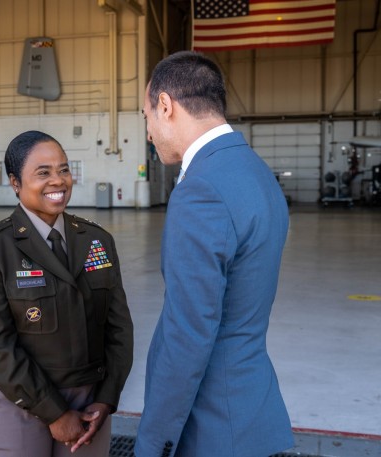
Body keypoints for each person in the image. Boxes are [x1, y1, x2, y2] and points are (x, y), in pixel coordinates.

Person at [135, 51, 293, 457]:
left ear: (166, 106)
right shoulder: (256, 172)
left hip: (214, 429)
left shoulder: (201, 191)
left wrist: (153, 443)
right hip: (254, 409)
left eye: (146, 116)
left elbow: (187, 334)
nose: (149, 132)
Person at [0, 130, 133, 456]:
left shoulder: (97, 241)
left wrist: (106, 399)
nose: (58, 181)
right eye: (43, 173)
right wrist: (54, 412)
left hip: (88, 401)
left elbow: (119, 329)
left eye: (64, 170)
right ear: (15, 183)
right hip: (18, 401)